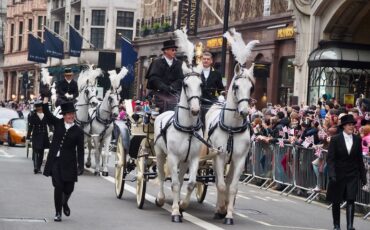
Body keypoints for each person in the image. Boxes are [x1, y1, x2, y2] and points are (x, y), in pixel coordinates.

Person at [41, 92, 84, 222]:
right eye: (69, 114)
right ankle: (58, 212)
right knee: (58, 187)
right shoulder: (58, 123)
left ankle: (64, 202)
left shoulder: (78, 131)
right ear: (64, 115)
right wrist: (46, 99)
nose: (71, 116)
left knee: (69, 188)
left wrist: (80, 165)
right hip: (56, 162)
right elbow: (47, 113)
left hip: (70, 162)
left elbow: (81, 150)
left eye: (73, 114)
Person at [326, 114, 367, 230]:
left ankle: (350, 226)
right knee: (336, 200)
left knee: (351, 199)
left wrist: (363, 177)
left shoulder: (357, 139)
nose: (351, 127)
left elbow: (359, 159)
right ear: (343, 126)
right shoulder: (335, 139)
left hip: (352, 174)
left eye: (352, 125)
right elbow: (330, 159)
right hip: (338, 174)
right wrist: (332, 174)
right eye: (349, 125)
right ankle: (336, 225)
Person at [146, 39, 184, 112]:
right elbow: (153, 78)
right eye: (172, 50)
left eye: (175, 50)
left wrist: (172, 87)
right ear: (166, 51)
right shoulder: (157, 63)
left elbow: (181, 78)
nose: (175, 52)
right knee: (165, 102)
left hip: (174, 92)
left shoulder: (179, 63)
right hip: (159, 92)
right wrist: (163, 86)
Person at [26, 100, 50, 174]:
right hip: (36, 135)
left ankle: (39, 167)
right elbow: (30, 127)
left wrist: (51, 131)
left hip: (44, 135)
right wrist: (28, 137)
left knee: (41, 152)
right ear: (36, 108)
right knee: (36, 151)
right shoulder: (33, 116)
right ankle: (36, 167)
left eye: (40, 107)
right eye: (38, 107)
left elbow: (50, 124)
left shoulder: (46, 115)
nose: (39, 109)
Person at [200, 51, 224, 124]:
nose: (206, 60)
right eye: (204, 59)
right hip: (199, 102)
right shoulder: (196, 72)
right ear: (202, 60)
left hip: (212, 103)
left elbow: (220, 89)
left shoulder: (217, 73)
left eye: (208, 59)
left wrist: (214, 94)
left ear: (211, 61)